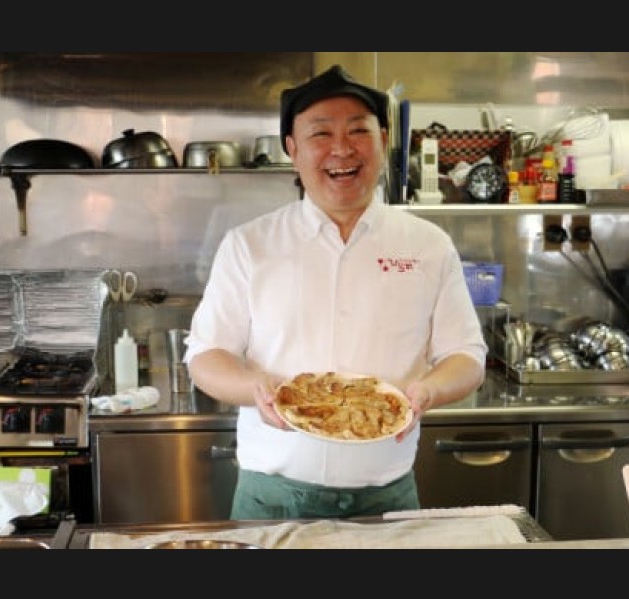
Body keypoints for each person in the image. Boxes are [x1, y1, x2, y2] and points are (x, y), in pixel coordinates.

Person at [185, 64, 487, 520]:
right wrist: (254, 389)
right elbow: (206, 356)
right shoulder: (249, 244)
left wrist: (429, 390)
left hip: (387, 498)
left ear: (383, 140)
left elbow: (466, 355)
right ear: (292, 149)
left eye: (358, 131)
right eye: (321, 134)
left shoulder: (428, 245)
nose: (342, 149)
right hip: (272, 498)